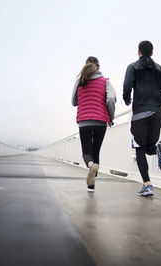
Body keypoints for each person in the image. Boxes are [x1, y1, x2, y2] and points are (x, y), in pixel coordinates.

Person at [123, 40, 161, 197]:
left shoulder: (132, 67)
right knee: (148, 146)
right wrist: (160, 102)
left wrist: (127, 99)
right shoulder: (160, 69)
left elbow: (127, 86)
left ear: (139, 52)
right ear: (152, 53)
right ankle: (158, 148)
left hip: (140, 112)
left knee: (139, 148)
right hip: (156, 112)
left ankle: (147, 185)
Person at [72, 56, 116, 192]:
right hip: (101, 122)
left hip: (84, 121)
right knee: (96, 151)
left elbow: (74, 102)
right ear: (99, 67)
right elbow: (111, 99)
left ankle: (90, 166)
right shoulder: (105, 81)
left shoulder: (79, 81)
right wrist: (111, 117)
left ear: (86, 66)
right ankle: (92, 185)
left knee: (87, 152)